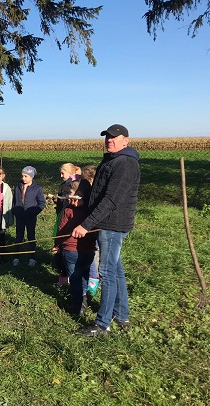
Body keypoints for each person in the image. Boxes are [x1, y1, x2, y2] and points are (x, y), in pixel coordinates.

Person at [72, 124, 140, 337]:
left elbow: (111, 199)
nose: (109, 140)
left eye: (114, 137)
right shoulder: (112, 160)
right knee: (116, 269)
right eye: (107, 137)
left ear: (125, 141)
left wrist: (86, 224)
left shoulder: (125, 163)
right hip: (107, 223)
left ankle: (102, 325)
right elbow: (100, 192)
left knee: (107, 272)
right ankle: (121, 315)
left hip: (112, 224)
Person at [52, 180, 97, 316]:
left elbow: (61, 230)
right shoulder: (93, 212)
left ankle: (77, 306)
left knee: (76, 278)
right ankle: (83, 300)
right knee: (84, 275)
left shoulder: (68, 210)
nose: (71, 199)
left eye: (72, 196)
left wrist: (57, 245)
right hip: (88, 251)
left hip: (71, 251)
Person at [12, 166, 46, 266]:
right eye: (22, 176)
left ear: (31, 176)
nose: (23, 178)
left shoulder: (37, 188)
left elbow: (41, 203)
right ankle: (16, 257)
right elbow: (14, 201)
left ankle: (32, 257)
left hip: (30, 217)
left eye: (26, 176)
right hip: (19, 216)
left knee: (31, 236)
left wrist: (34, 212)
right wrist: (15, 210)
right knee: (19, 236)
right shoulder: (18, 187)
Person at [81, 165, 100, 296]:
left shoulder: (95, 194)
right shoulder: (91, 193)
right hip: (90, 227)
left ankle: (93, 283)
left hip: (95, 228)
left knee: (94, 254)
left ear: (91, 180)